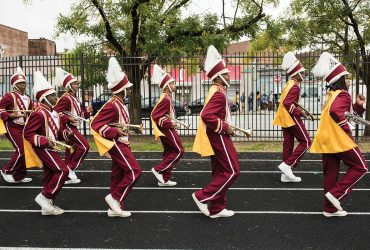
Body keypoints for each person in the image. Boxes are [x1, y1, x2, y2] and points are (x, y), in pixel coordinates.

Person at [310, 52, 368, 217]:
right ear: (341, 80)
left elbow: (344, 113)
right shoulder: (342, 94)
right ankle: (336, 194)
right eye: (347, 78)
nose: (349, 81)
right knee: (361, 167)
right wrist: (346, 129)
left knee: (330, 173)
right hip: (338, 140)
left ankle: (329, 208)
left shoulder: (331, 95)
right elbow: (338, 113)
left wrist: (357, 105)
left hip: (326, 141)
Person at [192, 45, 240, 218]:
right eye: (226, 74)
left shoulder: (217, 90)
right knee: (232, 170)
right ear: (219, 77)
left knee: (220, 171)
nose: (229, 76)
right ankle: (202, 196)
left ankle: (217, 207)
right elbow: (206, 115)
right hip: (218, 136)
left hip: (217, 135)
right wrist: (225, 127)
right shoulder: (218, 93)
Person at [91, 57, 142, 218]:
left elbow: (117, 124)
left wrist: (124, 131)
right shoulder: (112, 104)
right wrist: (114, 132)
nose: (130, 90)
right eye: (128, 88)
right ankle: (115, 198)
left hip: (123, 144)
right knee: (135, 172)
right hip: (116, 145)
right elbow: (95, 124)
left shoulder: (120, 103)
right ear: (122, 90)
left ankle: (114, 208)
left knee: (118, 174)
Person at [24, 71, 72, 215]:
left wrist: (66, 134)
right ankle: (45, 196)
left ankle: (47, 207)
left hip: (51, 147)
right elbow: (28, 133)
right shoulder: (38, 113)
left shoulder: (54, 113)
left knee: (51, 173)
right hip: (42, 148)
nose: (56, 97)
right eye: (53, 95)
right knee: (63, 170)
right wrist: (45, 141)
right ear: (45, 98)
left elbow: (58, 132)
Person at [272, 52, 312, 183]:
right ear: (296, 73)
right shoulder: (294, 86)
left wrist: (300, 111)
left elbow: (287, 102)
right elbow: (287, 103)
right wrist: (299, 113)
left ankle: (285, 175)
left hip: (284, 117)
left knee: (288, 144)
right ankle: (288, 165)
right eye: (302, 72)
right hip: (290, 117)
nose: (304, 74)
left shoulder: (290, 84)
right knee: (306, 142)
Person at [54, 68, 91, 184]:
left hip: (73, 126)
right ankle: (70, 168)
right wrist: (67, 118)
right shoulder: (65, 98)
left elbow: (79, 115)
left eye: (77, 84)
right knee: (84, 147)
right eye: (75, 84)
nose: (77, 86)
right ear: (69, 86)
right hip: (67, 127)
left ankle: (66, 174)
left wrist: (87, 112)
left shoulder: (75, 98)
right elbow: (55, 112)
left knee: (71, 149)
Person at [150, 64, 184, 187]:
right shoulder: (166, 98)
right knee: (179, 151)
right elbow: (155, 115)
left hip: (168, 128)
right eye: (173, 83)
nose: (175, 85)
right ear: (167, 86)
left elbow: (163, 115)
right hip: (166, 130)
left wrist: (172, 122)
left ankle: (164, 179)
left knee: (170, 151)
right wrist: (170, 123)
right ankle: (159, 169)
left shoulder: (167, 98)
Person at [0, 67, 33, 183]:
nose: (23, 84)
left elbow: (31, 112)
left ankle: (19, 176)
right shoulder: (9, 96)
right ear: (14, 84)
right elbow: (1, 109)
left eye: (24, 82)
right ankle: (6, 170)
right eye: (20, 83)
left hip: (24, 127)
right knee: (21, 150)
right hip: (12, 126)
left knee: (26, 150)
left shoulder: (28, 98)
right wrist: (9, 116)